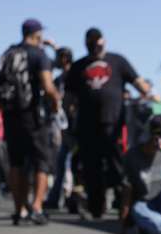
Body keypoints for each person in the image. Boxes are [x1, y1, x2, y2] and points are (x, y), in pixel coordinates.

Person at [66, 28, 153, 219]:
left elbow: (138, 83)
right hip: (87, 126)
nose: (95, 47)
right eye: (91, 43)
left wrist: (149, 94)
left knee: (118, 166)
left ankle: (125, 205)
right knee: (91, 167)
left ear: (103, 42)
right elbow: (69, 96)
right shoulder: (78, 66)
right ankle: (96, 207)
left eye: (98, 43)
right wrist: (69, 118)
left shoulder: (118, 61)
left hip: (113, 124)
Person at [0, 19, 62, 225]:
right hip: (34, 117)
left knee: (16, 163)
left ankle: (19, 209)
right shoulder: (39, 54)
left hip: (11, 115)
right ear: (37, 34)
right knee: (42, 162)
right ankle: (36, 207)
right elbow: (48, 86)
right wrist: (56, 105)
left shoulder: (8, 53)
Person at [44, 46, 75, 211]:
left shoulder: (75, 76)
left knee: (71, 162)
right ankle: (57, 197)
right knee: (61, 161)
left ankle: (71, 196)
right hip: (61, 124)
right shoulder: (58, 80)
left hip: (74, 125)